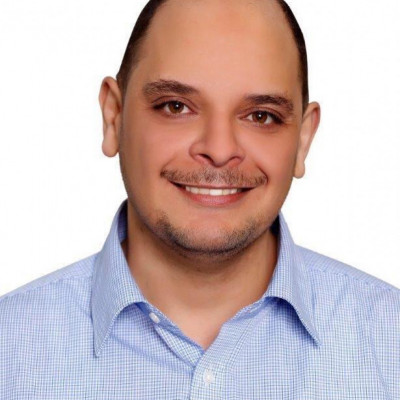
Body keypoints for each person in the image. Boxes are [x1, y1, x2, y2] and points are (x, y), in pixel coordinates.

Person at [0, 0, 398, 398]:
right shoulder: (10, 351)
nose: (220, 150)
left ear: (303, 139)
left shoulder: (389, 343)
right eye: (176, 107)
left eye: (261, 115)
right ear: (113, 116)